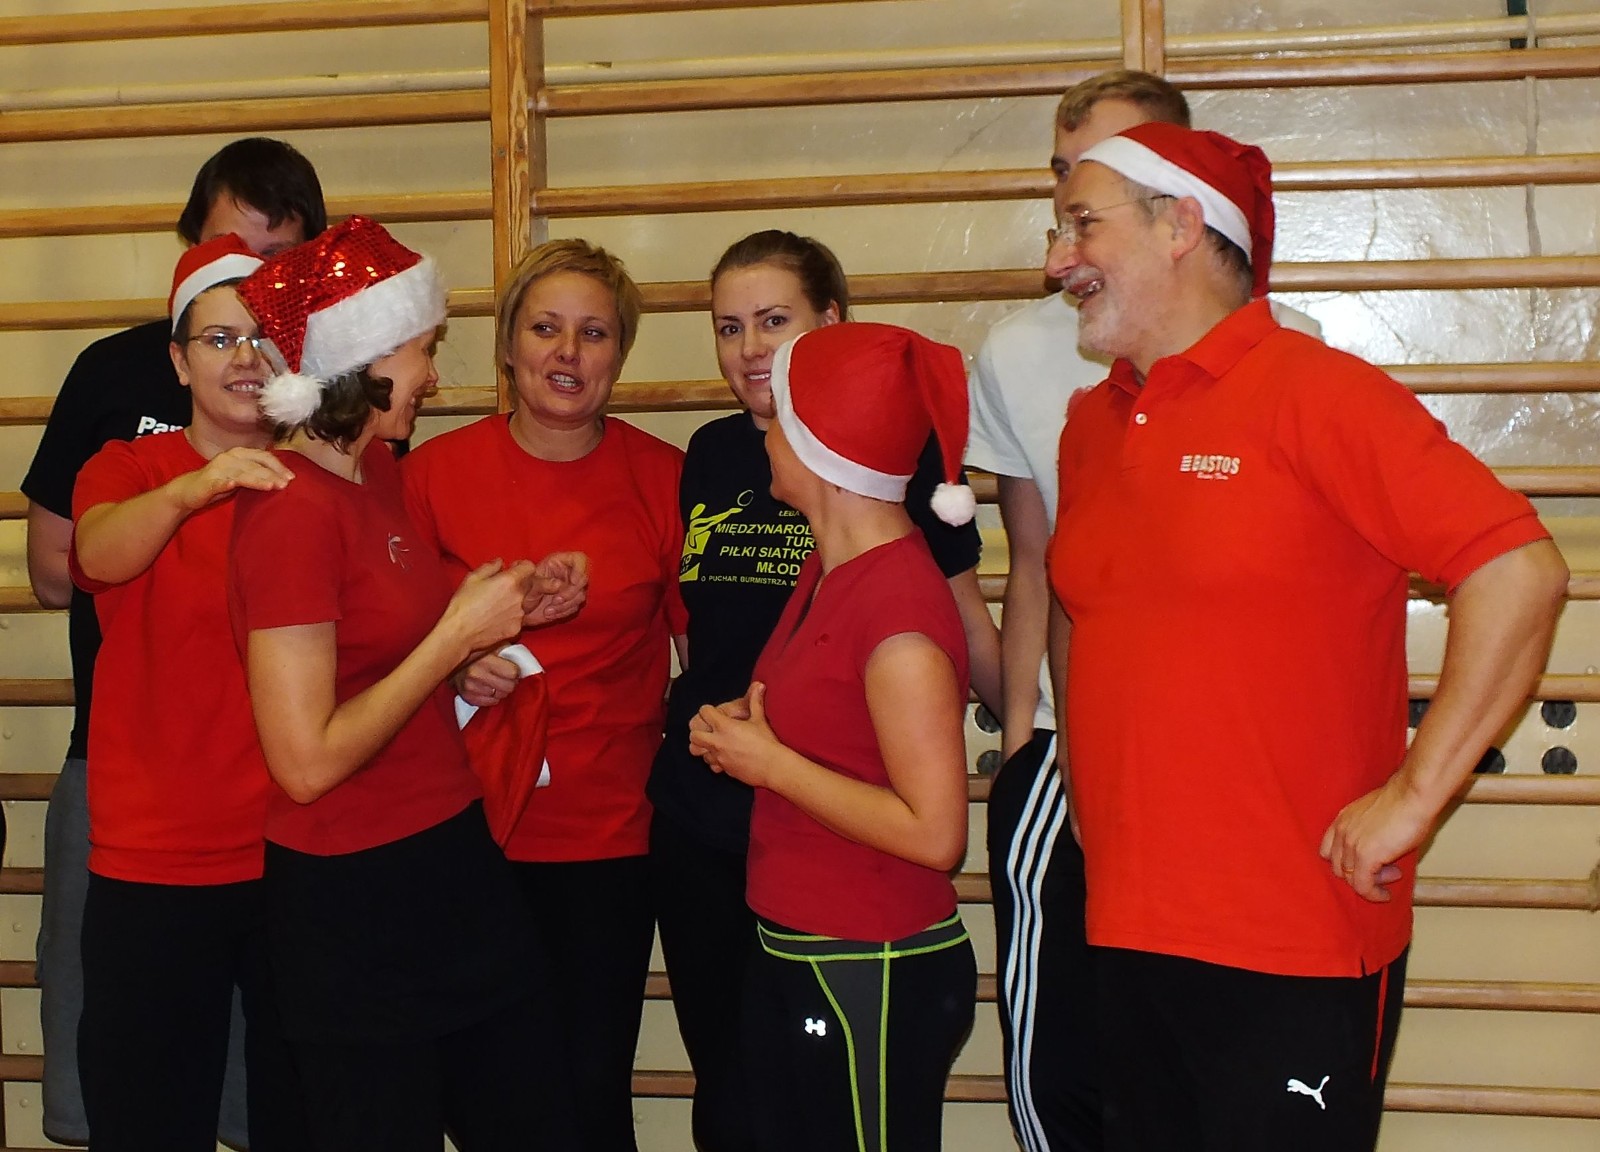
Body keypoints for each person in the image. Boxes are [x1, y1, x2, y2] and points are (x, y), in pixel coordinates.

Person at [1045, 122, 1568, 1151]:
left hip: (1293, 943)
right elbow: (1092, 618)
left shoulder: (1317, 394)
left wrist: (1413, 796)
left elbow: (1520, 571)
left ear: (1180, 226)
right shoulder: (1090, 425)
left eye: (1081, 224)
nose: (1058, 259)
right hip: (1126, 929)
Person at [965, 69, 1324, 1152]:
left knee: (1205, 1060)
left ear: (1181, 198)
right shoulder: (1027, 356)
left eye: (1104, 173)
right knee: (1069, 1070)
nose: (1071, 199)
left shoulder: (1292, 351)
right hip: (1073, 749)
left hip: (1218, 771)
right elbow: (1040, 562)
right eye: (1063, 173)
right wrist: (1028, 748)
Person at [227, 216, 582, 1151]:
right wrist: (453, 636)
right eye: (424, 348)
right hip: (351, 898)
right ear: (364, 358)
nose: (432, 374)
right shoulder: (289, 515)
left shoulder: (378, 471)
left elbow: (386, 653)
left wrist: (497, 620)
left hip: (447, 856)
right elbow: (305, 763)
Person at [646, 228, 993, 1152]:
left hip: (866, 953)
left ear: (823, 446)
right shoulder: (832, 571)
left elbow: (936, 833)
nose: (765, 431)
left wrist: (768, 763)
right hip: (802, 936)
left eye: (787, 421)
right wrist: (743, 729)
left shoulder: (895, 607)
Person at [21, 136, 324, 1149]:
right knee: (148, 1113)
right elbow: (91, 555)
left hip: (291, 849)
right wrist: (201, 483)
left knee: (292, 1113)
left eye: (262, 339)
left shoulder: (319, 477)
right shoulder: (123, 466)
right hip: (154, 855)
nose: (242, 358)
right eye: (218, 338)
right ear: (179, 359)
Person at [402, 238, 685, 1152]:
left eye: (593, 333)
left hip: (608, 840)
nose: (567, 353)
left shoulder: (666, 478)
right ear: (507, 346)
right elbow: (379, 652)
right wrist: (452, 662)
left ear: (619, 353)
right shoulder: (428, 475)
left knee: (586, 1098)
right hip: (463, 832)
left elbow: (707, 658)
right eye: (545, 329)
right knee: (476, 1098)